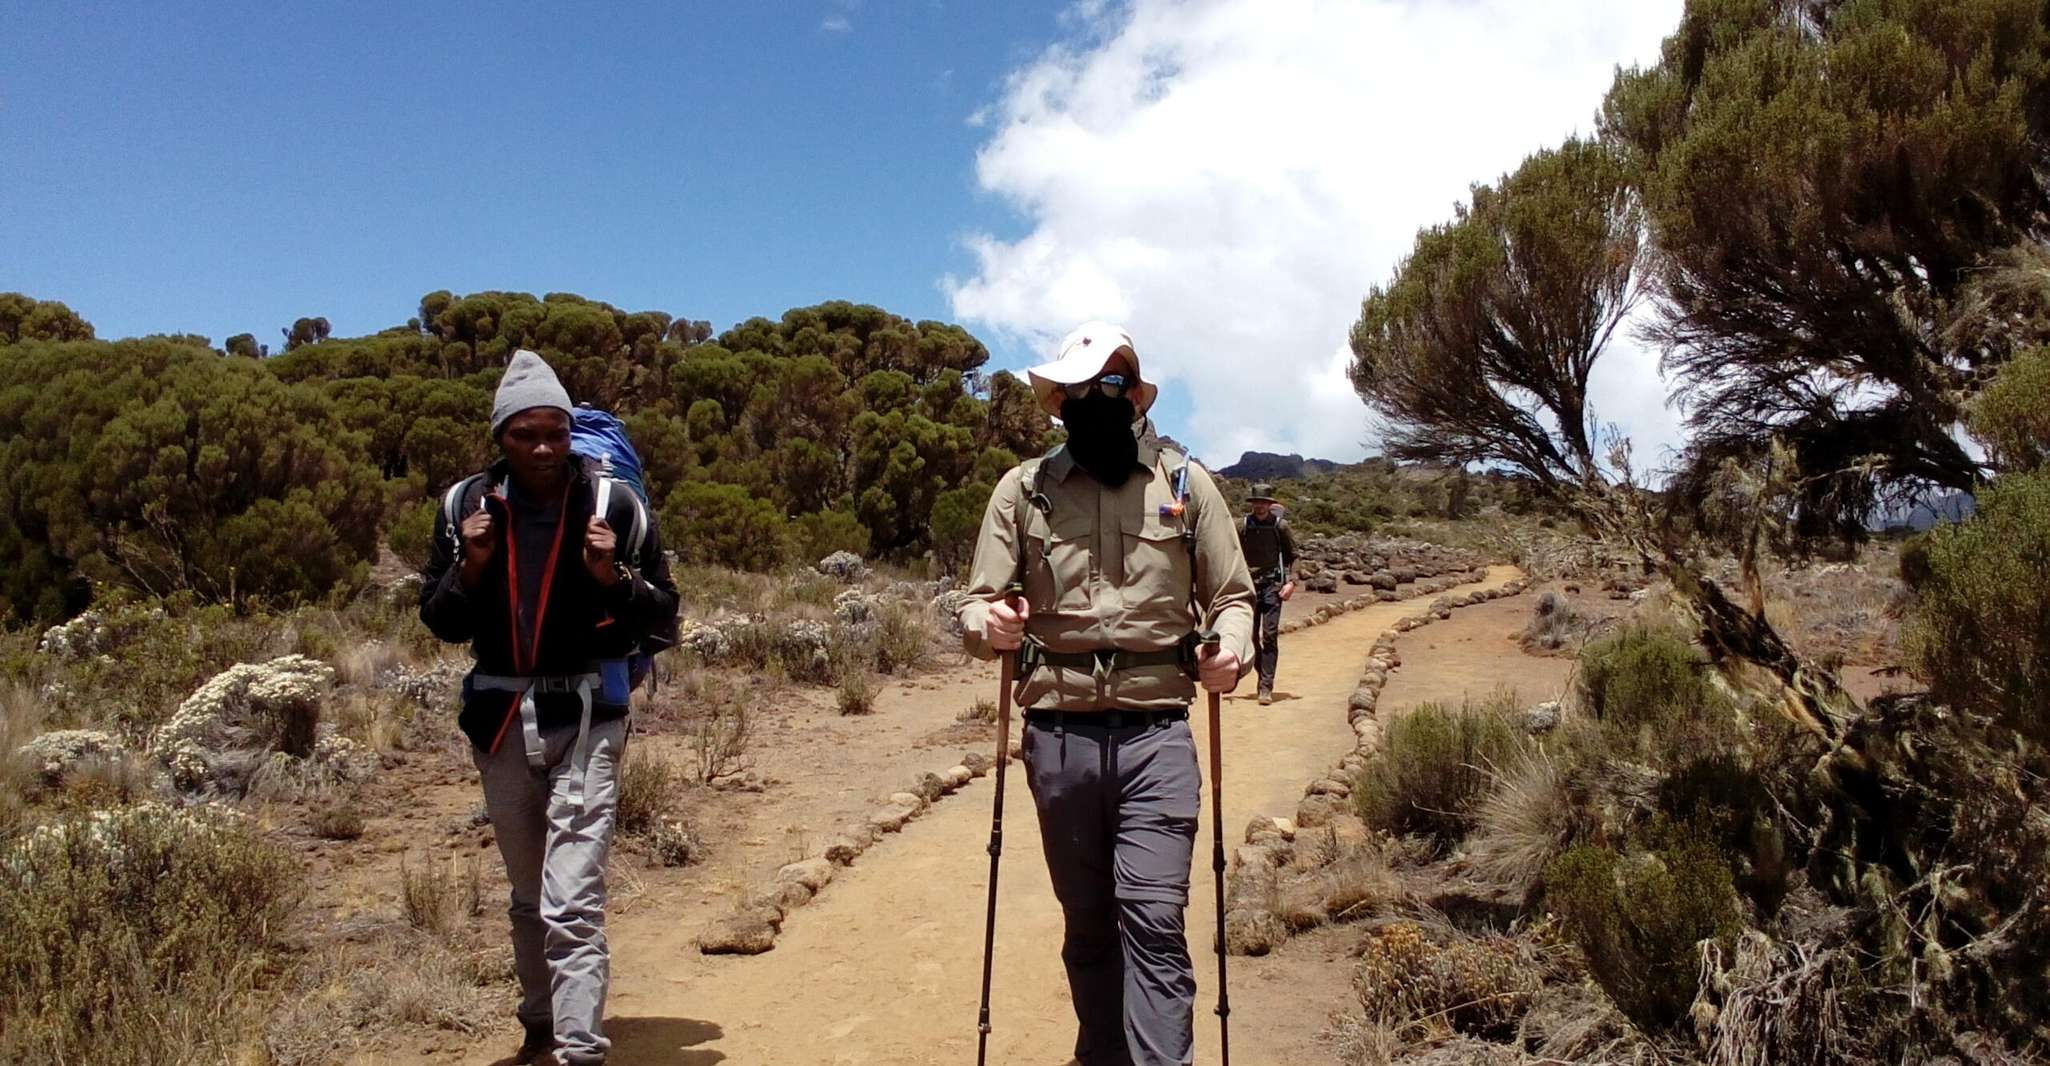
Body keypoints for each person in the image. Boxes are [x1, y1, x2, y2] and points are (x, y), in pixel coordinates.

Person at [958, 321, 1255, 1066]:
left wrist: (1234, 653)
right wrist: (987, 621)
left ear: (1136, 394)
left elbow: (1235, 600)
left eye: (1113, 385)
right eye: (1082, 389)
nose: (1099, 399)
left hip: (1158, 736)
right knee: (1088, 927)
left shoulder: (1187, 485)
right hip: (1058, 739)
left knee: (1153, 918)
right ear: (1059, 401)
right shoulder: (1023, 491)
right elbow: (975, 602)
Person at [418, 350, 679, 1066]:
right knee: (528, 893)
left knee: (571, 901)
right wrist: (470, 567)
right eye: (525, 435)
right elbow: (439, 622)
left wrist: (612, 579)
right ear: (499, 437)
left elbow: (663, 621)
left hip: (589, 717)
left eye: (556, 435)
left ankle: (579, 1051)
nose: (542, 449)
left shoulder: (611, 507)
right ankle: (539, 1025)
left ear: (571, 434)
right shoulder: (463, 508)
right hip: (500, 722)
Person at [1236, 484, 1297, 705]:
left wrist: (1291, 582)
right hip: (1249, 587)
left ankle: (1265, 687)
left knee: (1269, 635)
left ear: (1270, 505)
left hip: (1273, 586)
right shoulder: (1242, 526)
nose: (1260, 506)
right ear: (1252, 504)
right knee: (1250, 638)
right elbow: (1231, 551)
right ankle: (1263, 675)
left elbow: (1293, 555)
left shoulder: (1281, 527)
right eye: (1257, 502)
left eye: (1264, 502)